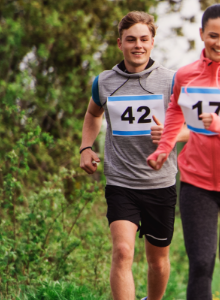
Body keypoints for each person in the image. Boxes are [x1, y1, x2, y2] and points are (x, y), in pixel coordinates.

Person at [146, 4, 220, 299]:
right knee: (200, 264)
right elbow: (175, 111)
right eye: (213, 36)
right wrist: (164, 147)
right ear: (201, 34)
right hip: (196, 183)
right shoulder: (186, 75)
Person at [79, 11, 188, 300]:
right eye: (130, 40)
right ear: (120, 43)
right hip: (120, 182)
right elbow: (93, 114)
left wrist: (172, 134)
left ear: (152, 42)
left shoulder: (172, 81)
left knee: (158, 262)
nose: (137, 45)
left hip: (159, 183)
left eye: (143, 39)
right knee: (123, 252)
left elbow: (195, 127)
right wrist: (86, 147)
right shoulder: (104, 82)